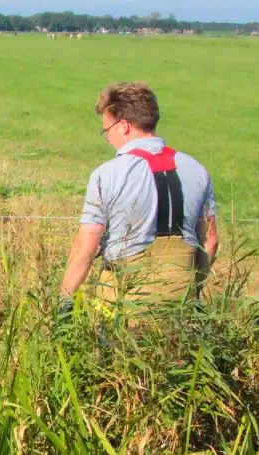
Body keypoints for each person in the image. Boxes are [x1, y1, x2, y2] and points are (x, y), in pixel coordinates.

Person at [58, 82, 218, 314]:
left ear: (123, 126)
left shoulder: (107, 174)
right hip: (181, 303)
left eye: (107, 130)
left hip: (124, 308)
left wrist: (63, 302)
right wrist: (194, 289)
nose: (107, 138)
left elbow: (85, 251)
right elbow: (210, 241)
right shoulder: (197, 170)